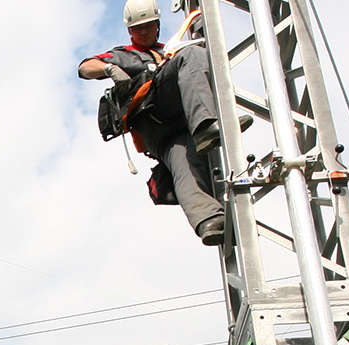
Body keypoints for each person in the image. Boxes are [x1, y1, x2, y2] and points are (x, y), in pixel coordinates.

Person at [77, 0, 238, 246]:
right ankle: (207, 126)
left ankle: (208, 220)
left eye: (148, 26)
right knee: (193, 55)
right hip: (154, 116)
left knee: (183, 161)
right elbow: (85, 67)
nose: (143, 32)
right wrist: (109, 68)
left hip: (182, 123)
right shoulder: (125, 54)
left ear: (158, 25)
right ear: (130, 31)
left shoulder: (170, 51)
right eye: (137, 29)